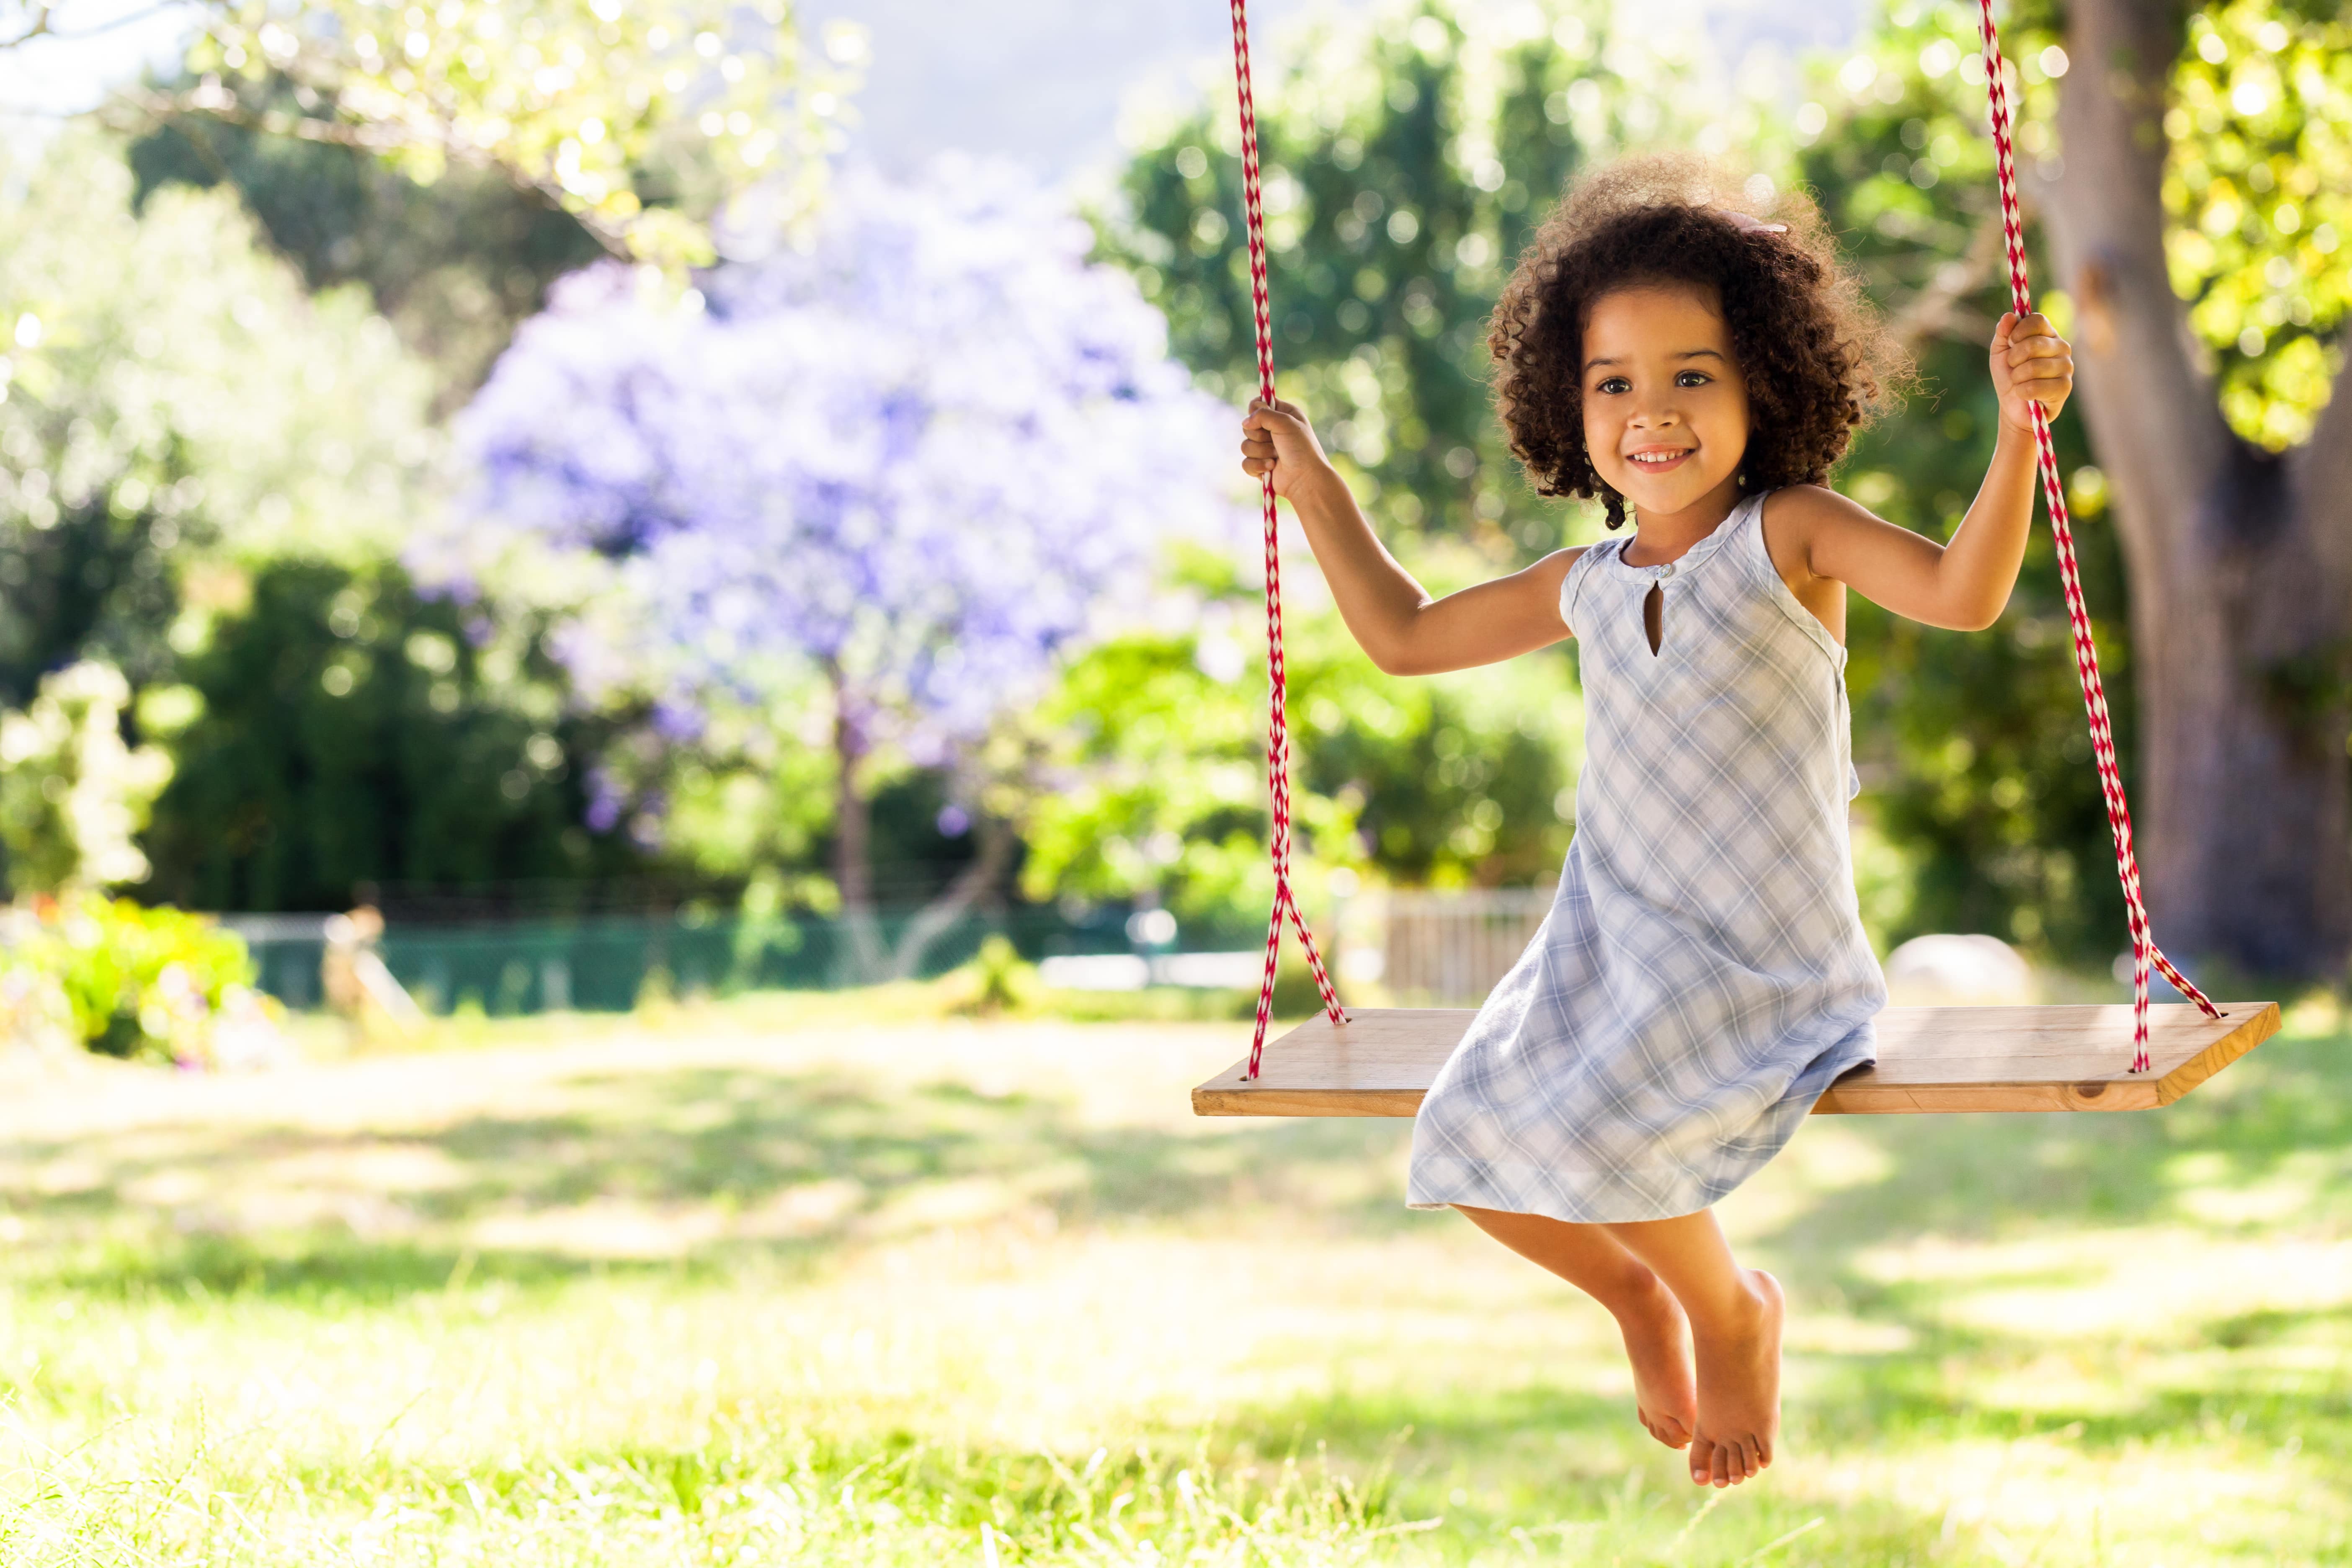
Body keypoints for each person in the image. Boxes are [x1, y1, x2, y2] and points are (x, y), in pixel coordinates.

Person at [1238, 153, 2074, 1489]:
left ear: (1765, 387)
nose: (1654, 413)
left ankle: (1731, 1309)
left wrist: (2019, 432)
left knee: (1609, 1119)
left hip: (1762, 958)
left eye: (1694, 375)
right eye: (1613, 383)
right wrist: (1317, 486)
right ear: (1569, 409)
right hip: (1611, 944)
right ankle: (1644, 1295)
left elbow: (1966, 595)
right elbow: (1399, 635)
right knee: (1463, 1144)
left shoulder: (1791, 534)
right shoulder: (1584, 582)